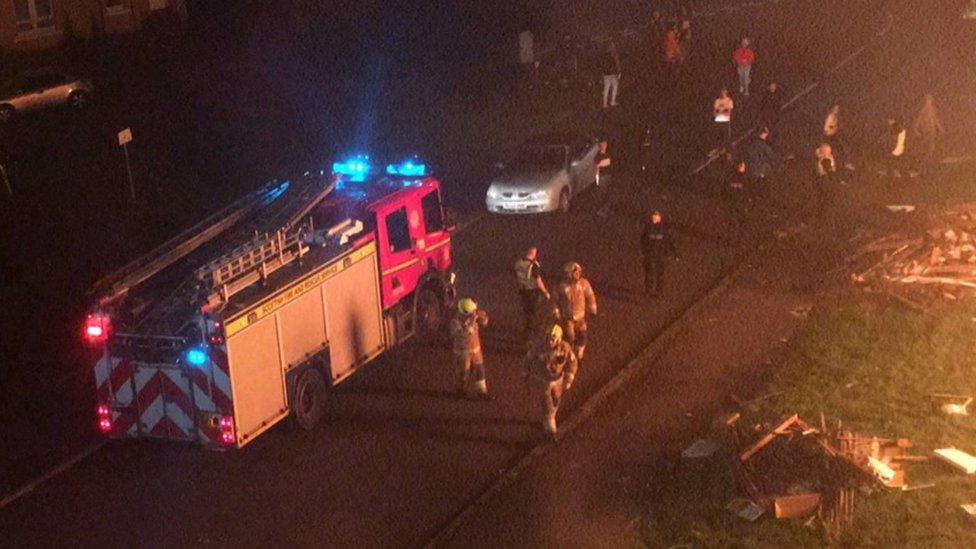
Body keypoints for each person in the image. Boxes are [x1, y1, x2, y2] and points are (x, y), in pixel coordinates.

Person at [523, 324, 578, 437]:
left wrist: (569, 377)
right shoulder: (538, 347)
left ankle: (547, 418)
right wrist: (525, 373)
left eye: (553, 338)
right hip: (543, 381)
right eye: (548, 337)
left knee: (556, 400)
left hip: (558, 380)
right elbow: (528, 359)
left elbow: (572, 362)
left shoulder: (565, 348)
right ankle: (550, 428)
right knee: (548, 404)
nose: (550, 341)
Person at [556, 262, 597, 365]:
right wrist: (556, 311)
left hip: (580, 318)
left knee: (582, 337)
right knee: (569, 338)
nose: (577, 275)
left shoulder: (584, 284)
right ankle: (567, 357)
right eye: (575, 273)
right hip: (568, 319)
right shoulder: (562, 287)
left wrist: (593, 309)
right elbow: (555, 300)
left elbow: (590, 296)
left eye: (579, 272)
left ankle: (579, 356)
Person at [450, 298, 490, 399]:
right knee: (464, 373)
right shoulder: (455, 322)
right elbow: (462, 333)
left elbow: (485, 323)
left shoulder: (473, 316)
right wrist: (471, 321)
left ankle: (482, 392)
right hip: (463, 354)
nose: (474, 312)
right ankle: (460, 391)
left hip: (476, 352)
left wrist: (482, 316)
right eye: (472, 311)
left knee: (480, 371)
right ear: (465, 312)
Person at [514, 247, 550, 342]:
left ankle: (525, 334)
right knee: (533, 315)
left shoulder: (518, 263)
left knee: (526, 314)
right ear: (533, 253)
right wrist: (545, 292)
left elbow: (516, 277)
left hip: (522, 292)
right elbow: (538, 281)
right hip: (532, 293)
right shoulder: (533, 265)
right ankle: (529, 337)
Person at [640, 210, 678, 296]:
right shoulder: (648, 229)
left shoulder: (663, 230)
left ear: (660, 218)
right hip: (650, 255)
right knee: (649, 274)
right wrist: (645, 251)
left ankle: (659, 292)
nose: (655, 218)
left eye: (656, 217)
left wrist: (675, 254)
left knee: (660, 274)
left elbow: (669, 243)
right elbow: (643, 241)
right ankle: (648, 291)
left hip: (660, 255)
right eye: (654, 217)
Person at [744, 127, 777, 196]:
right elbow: (771, 156)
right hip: (761, 171)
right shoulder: (763, 145)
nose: (766, 136)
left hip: (750, 171)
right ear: (762, 134)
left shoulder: (749, 145)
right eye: (766, 134)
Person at [913, 93, 945, 160]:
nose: (929, 102)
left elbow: (935, 119)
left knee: (931, 143)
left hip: (931, 129)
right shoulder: (923, 110)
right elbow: (919, 119)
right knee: (925, 143)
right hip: (925, 129)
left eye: (930, 100)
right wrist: (916, 129)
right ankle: (924, 157)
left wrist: (940, 128)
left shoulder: (933, 109)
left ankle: (930, 157)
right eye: (927, 101)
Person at [711, 88, 734, 157]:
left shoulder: (729, 100)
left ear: (726, 92)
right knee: (717, 137)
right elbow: (714, 112)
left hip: (726, 121)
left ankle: (728, 152)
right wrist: (723, 110)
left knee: (727, 137)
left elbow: (728, 112)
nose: (723, 93)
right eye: (722, 91)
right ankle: (716, 150)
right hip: (718, 120)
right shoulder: (717, 101)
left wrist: (720, 111)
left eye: (724, 91)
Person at [815, 142, 838, 211]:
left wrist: (832, 163)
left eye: (828, 152)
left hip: (829, 180)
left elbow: (833, 169)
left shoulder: (830, 159)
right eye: (824, 152)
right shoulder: (819, 160)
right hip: (821, 180)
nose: (826, 154)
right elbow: (819, 171)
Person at [601, 42, 622, 109]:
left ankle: (605, 104)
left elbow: (602, 64)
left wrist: (603, 73)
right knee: (615, 87)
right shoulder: (614, 54)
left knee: (606, 88)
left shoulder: (604, 55)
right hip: (613, 74)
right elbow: (617, 63)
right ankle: (612, 101)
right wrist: (619, 72)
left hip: (606, 74)